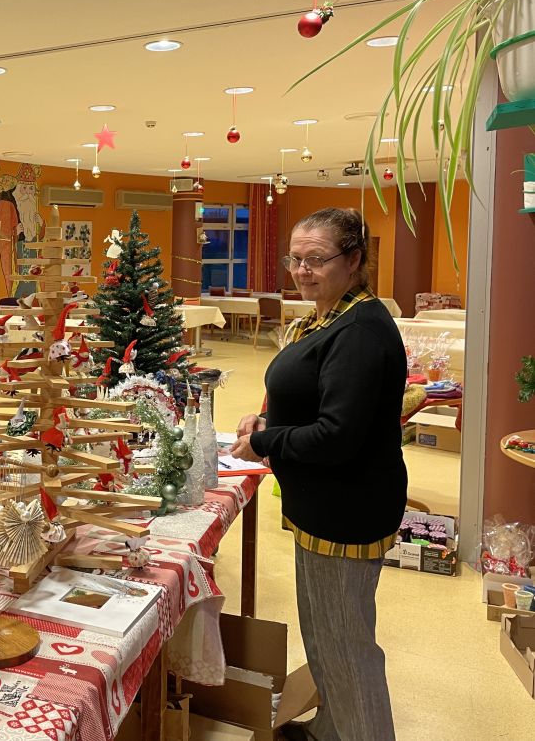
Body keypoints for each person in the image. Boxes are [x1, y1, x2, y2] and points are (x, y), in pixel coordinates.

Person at [230, 207, 405, 741]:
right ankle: (333, 727)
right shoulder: (332, 315)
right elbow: (317, 398)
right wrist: (270, 419)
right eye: (295, 259)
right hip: (324, 505)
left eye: (317, 260)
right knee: (326, 634)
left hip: (345, 510)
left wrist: (264, 441)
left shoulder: (361, 332)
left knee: (346, 645)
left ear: (354, 260)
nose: (302, 271)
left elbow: (337, 435)